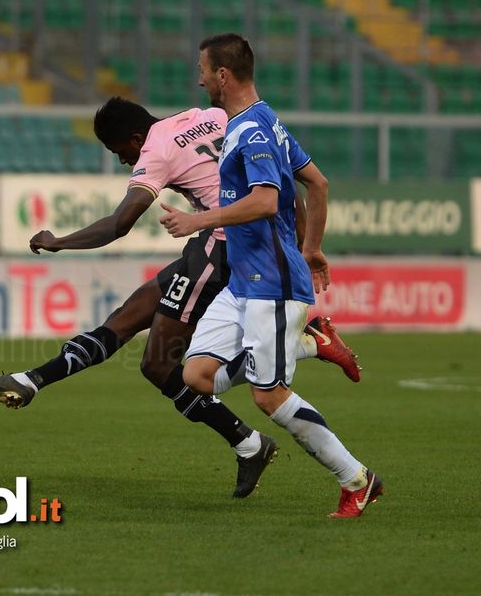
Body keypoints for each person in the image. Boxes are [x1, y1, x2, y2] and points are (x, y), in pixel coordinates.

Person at [0, 96, 359, 498]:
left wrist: (59, 241)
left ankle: (300, 356)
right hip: (232, 244)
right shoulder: (212, 116)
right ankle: (33, 380)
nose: (123, 162)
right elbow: (286, 182)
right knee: (128, 319)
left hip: (219, 250)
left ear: (135, 138)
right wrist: (303, 245)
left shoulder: (156, 149)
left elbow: (119, 223)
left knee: (160, 363)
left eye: (120, 153)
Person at [160, 33, 381, 517]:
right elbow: (317, 183)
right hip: (244, 281)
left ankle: (356, 479)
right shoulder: (267, 121)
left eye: (202, 69)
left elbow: (266, 200)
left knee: (268, 396)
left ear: (222, 75)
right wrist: (313, 247)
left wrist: (195, 220)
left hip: (272, 284)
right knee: (196, 376)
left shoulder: (253, 132)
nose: (198, 78)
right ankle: (309, 343)